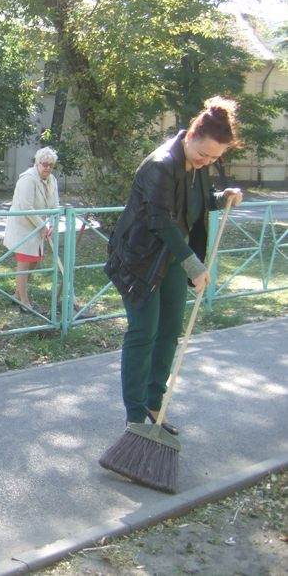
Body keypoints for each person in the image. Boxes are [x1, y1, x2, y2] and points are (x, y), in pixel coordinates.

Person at [105, 96, 243, 433]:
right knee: (144, 334)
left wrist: (220, 198)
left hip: (171, 259)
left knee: (168, 333)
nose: (206, 162)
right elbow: (161, 221)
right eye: (204, 155)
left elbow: (192, 204)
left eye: (214, 158)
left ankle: (155, 403)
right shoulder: (162, 164)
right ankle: (135, 417)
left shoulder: (197, 163)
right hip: (140, 261)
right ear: (191, 135)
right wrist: (194, 265)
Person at [2, 146, 60, 312]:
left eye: (51, 165)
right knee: (24, 263)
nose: (48, 168)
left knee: (33, 261)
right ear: (37, 163)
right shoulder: (27, 179)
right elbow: (26, 207)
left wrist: (52, 224)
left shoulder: (52, 180)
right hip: (22, 227)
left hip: (38, 228)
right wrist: (42, 226)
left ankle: (17, 295)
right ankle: (25, 302)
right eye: (45, 164)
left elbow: (55, 206)